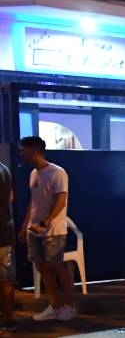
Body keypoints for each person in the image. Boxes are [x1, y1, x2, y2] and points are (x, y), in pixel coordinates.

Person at [18, 136, 75, 322]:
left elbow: (61, 201)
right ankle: (55, 306)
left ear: (34, 151)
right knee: (43, 268)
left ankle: (70, 306)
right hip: (34, 231)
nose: (21, 153)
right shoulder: (33, 173)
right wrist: (25, 226)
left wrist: (45, 222)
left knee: (58, 268)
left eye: (23, 150)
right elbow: (33, 203)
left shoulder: (58, 173)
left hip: (53, 231)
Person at [0, 161, 15, 331]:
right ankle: (9, 318)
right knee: (4, 275)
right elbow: (11, 196)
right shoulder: (4, 168)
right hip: (5, 228)